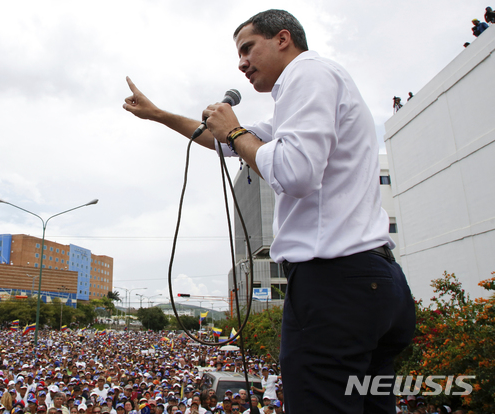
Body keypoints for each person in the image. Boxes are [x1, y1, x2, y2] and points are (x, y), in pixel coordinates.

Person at [123, 8, 415, 414]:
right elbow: (226, 144)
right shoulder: (307, 93)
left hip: (336, 285)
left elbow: (293, 172)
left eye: (247, 49)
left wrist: (236, 131)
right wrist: (159, 115)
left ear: (282, 39)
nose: (241, 63)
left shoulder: (306, 75)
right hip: (375, 285)